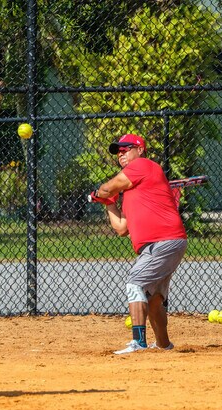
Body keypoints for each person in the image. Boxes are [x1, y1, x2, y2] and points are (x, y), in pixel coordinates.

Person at [89, 133, 187, 354]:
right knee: (153, 300)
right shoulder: (134, 191)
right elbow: (122, 228)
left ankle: (138, 342)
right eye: (118, 152)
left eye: (126, 149)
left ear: (140, 150)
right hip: (165, 243)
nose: (121, 155)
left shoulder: (143, 165)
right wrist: (109, 203)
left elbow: (108, 187)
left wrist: (101, 193)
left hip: (162, 241)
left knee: (135, 283)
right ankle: (164, 345)